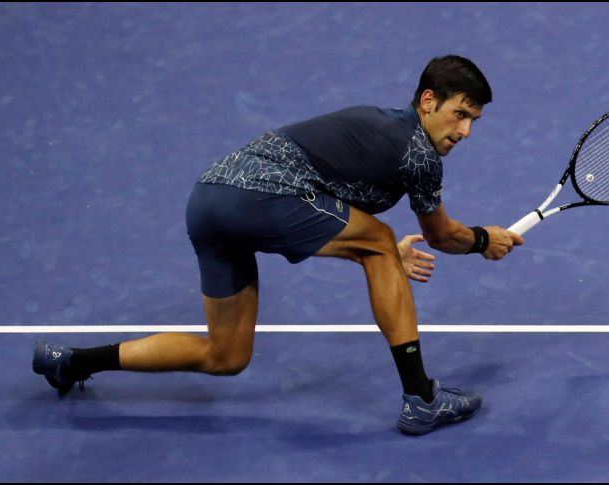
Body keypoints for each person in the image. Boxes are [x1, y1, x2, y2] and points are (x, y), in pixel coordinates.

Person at [33, 54, 524, 435]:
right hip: (258, 196)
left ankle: (72, 361)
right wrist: (485, 240)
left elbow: (328, 197)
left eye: (473, 120)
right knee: (377, 241)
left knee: (226, 356)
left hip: (207, 202)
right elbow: (442, 236)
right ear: (427, 101)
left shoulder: (381, 130)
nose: (464, 131)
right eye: (459, 114)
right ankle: (421, 398)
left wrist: (371, 251)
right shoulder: (418, 154)